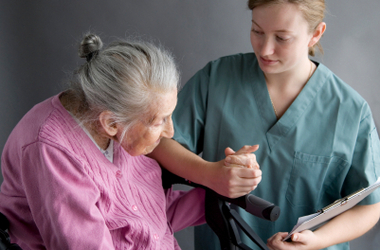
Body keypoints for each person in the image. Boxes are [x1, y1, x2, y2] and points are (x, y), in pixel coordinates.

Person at [148, 0, 380, 249]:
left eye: (282, 38)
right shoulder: (217, 79)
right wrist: (210, 174)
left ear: (316, 34)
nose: (265, 49)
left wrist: (316, 241)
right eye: (257, 31)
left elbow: (369, 206)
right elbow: (155, 142)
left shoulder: (350, 112)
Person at [0, 33, 207, 249]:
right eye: (159, 121)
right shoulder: (51, 147)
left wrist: (221, 187)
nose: (170, 132)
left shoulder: (118, 123)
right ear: (110, 123)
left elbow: (146, 215)